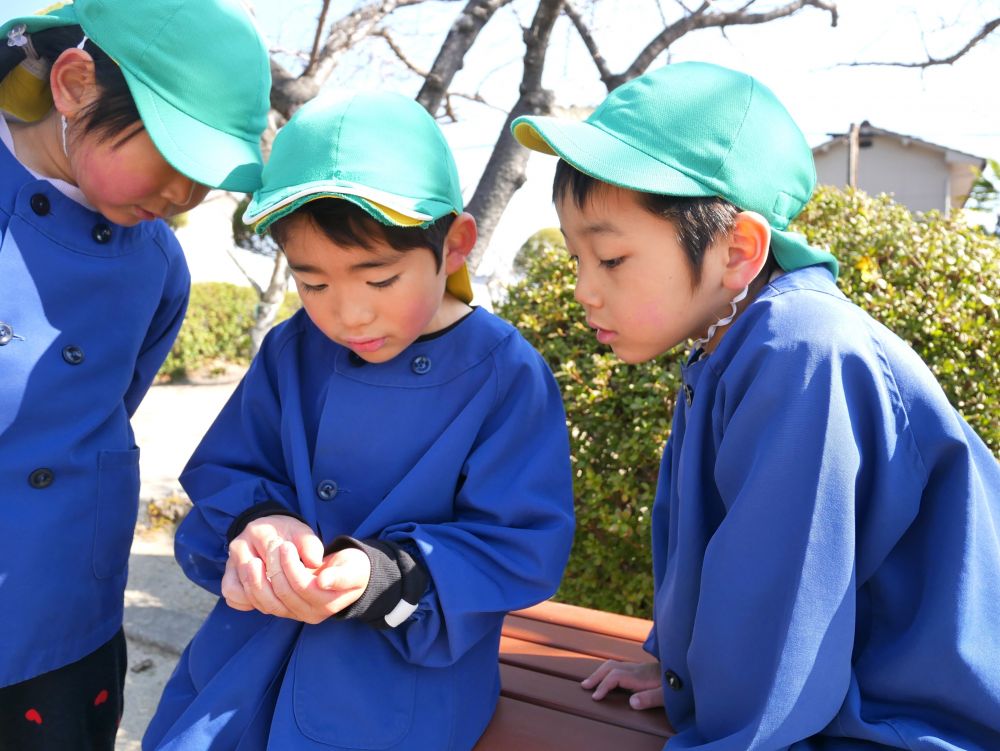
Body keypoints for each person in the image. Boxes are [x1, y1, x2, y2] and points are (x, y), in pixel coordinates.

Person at [511, 61, 1000, 750]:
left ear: (738, 249)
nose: (586, 290)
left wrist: (727, 726)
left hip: (918, 727)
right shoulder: (730, 341)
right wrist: (677, 667)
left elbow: (781, 610)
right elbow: (715, 554)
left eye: (612, 260)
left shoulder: (803, 350)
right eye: (577, 261)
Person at [143, 91, 576, 751]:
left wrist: (384, 578)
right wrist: (259, 524)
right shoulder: (292, 350)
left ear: (456, 244)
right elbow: (228, 471)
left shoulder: (505, 375)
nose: (347, 314)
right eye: (312, 282)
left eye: (378, 280)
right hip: (250, 656)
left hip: (397, 675)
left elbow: (518, 543)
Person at [0, 0, 271, 747]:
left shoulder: (156, 266)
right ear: (76, 83)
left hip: (65, 616)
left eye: (211, 177)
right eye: (178, 159)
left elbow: (112, 405)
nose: (187, 196)